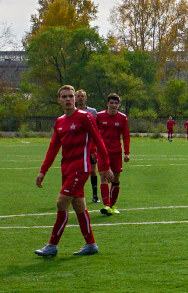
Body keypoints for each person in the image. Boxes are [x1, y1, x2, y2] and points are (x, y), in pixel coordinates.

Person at [33, 85, 106, 258]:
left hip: (81, 168)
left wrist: (106, 167)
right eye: (64, 96)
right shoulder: (59, 122)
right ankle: (91, 244)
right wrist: (43, 171)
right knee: (79, 206)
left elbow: (99, 141)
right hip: (66, 169)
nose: (68, 99)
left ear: (75, 99)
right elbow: (53, 148)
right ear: (59, 100)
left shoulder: (85, 117)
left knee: (61, 203)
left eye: (70, 96)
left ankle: (52, 246)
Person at [93, 93, 131, 213]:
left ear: (118, 105)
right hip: (102, 152)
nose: (113, 105)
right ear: (107, 104)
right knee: (103, 176)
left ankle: (112, 206)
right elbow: (93, 134)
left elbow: (126, 136)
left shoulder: (122, 118)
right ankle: (107, 205)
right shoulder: (99, 116)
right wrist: (92, 149)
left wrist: (127, 152)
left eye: (116, 103)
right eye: (111, 103)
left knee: (115, 179)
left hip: (116, 152)